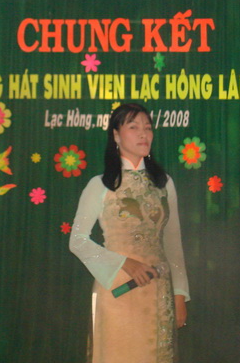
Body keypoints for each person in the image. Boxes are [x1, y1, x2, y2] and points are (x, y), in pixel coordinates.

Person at [69, 103, 190, 363]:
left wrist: (179, 295)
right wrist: (125, 263)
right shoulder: (100, 185)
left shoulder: (164, 183)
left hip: (158, 291)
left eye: (147, 127)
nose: (143, 133)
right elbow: (77, 241)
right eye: (133, 127)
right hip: (117, 289)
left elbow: (173, 244)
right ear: (116, 135)